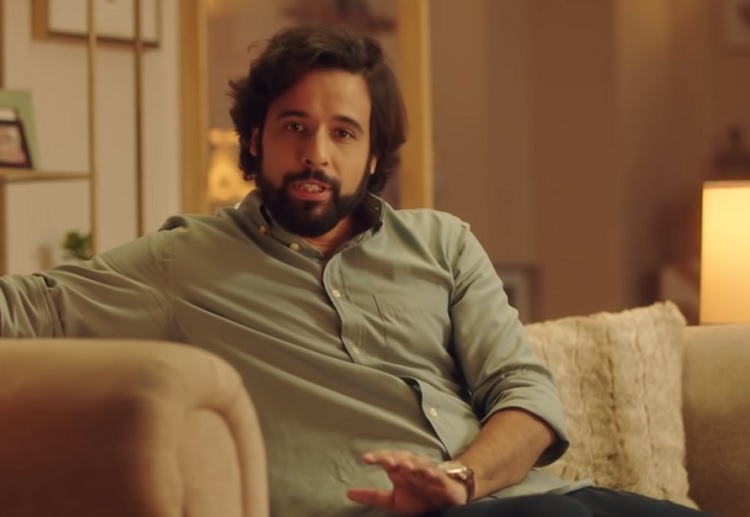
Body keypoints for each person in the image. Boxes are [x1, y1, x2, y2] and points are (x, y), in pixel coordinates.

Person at [0, 26, 714, 517]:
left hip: (532, 497)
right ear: (255, 137)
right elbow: (26, 310)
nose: (317, 152)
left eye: (343, 133)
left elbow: (525, 393)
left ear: (373, 156)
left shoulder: (442, 243)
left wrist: (460, 478)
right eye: (294, 126)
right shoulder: (181, 263)